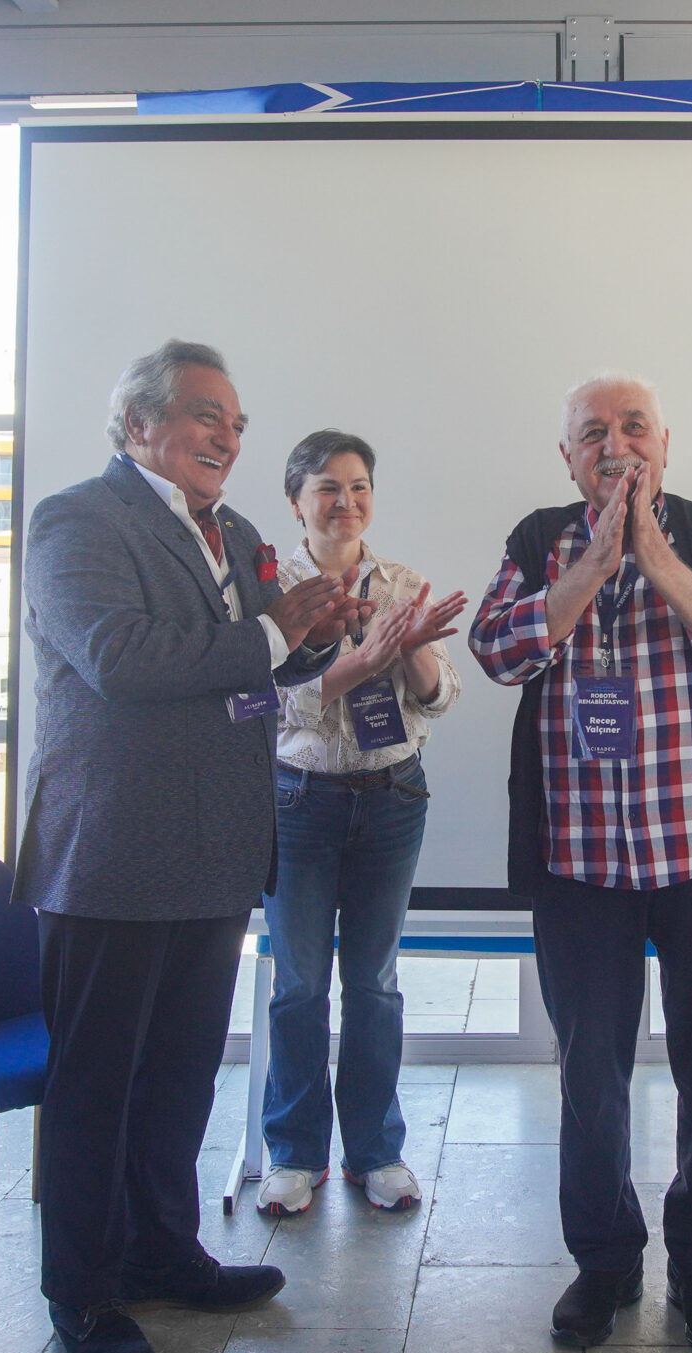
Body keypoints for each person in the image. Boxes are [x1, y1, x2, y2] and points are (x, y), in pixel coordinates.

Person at [15, 340, 364, 1353]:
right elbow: (118, 659)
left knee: (177, 1077)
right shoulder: (77, 520)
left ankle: (163, 1255)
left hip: (215, 848)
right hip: (113, 848)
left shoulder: (239, 532)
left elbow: (255, 670)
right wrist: (275, 633)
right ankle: (83, 1291)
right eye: (207, 416)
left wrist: (316, 633)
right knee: (97, 1087)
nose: (229, 437)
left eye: (237, 423)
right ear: (139, 424)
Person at [470, 373, 692, 1353]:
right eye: (593, 432)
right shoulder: (537, 539)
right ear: (567, 457)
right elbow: (497, 650)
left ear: (663, 444)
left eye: (633, 427)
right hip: (580, 861)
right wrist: (589, 570)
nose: (616, 445)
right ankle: (604, 1259)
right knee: (591, 1078)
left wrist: (655, 556)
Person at [257, 430, 467, 1218]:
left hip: (392, 796)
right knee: (299, 985)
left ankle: (375, 1151)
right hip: (298, 801)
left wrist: (410, 651)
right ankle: (294, 1153)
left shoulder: (403, 582)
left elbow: (440, 698)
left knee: (374, 984)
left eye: (358, 487)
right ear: (295, 502)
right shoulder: (272, 593)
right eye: (327, 488)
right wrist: (355, 664)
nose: (345, 502)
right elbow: (263, 705)